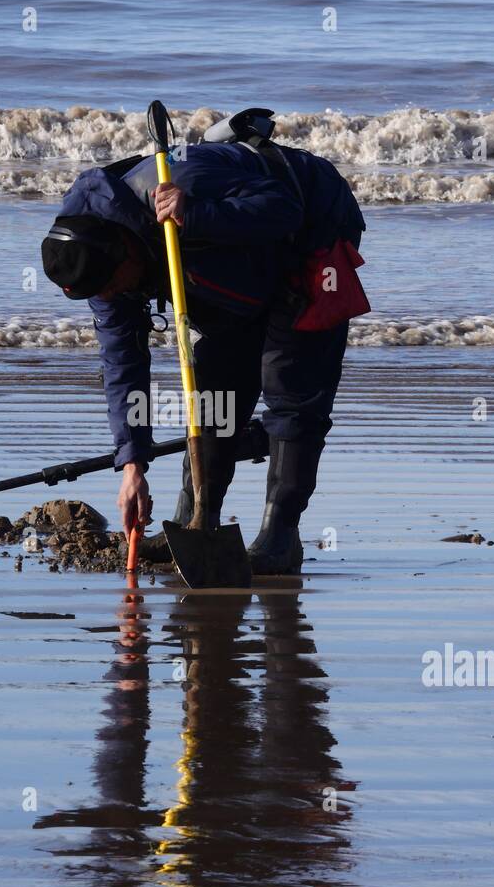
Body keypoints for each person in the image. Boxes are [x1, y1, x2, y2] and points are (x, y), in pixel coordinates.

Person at [41, 110, 366, 575]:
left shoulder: (183, 182)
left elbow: (283, 208)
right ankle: (195, 521)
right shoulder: (98, 268)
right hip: (228, 269)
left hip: (309, 229)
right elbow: (122, 364)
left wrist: (197, 215)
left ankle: (280, 537)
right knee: (213, 394)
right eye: (103, 295)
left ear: (126, 249)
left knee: (290, 386)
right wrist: (132, 462)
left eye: (115, 286)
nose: (114, 299)